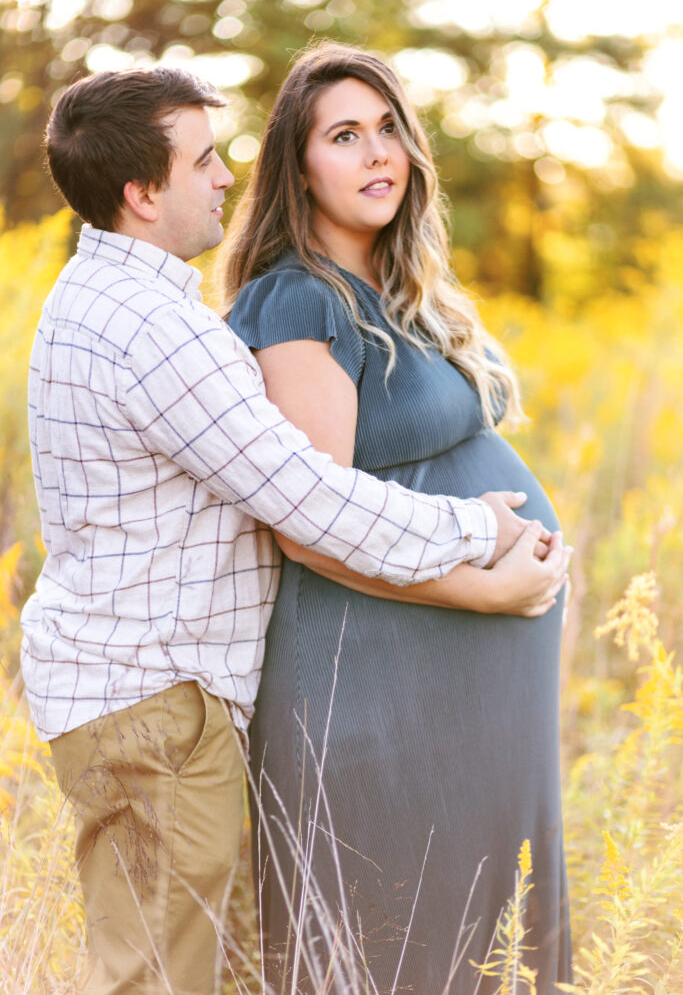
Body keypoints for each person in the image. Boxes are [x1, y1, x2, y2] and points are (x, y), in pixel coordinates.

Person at [20, 66, 565, 995]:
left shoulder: (120, 304)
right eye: (202, 160)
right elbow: (309, 503)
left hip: (144, 693)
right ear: (142, 192)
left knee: (154, 965)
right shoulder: (164, 328)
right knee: (154, 975)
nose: (225, 178)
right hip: (159, 696)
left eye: (386, 128)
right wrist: (477, 540)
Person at [225, 43, 573, 994]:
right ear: (298, 169)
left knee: (483, 931)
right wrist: (490, 594)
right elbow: (310, 526)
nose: (378, 153)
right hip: (377, 681)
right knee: (395, 940)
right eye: (343, 135)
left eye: (388, 130)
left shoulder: (403, 292)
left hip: (461, 681)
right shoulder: (298, 302)